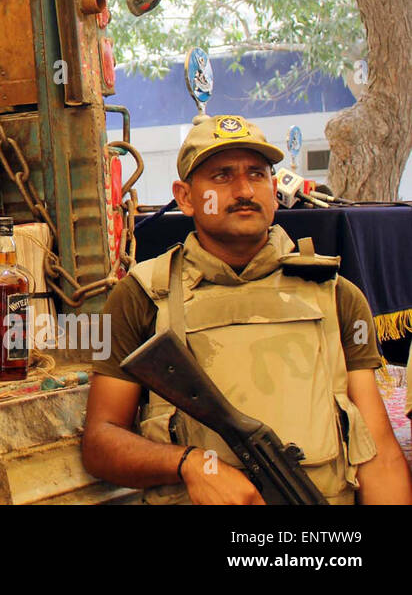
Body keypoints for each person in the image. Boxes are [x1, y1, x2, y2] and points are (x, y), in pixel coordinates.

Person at [82, 114, 412, 504]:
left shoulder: (336, 294)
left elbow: (378, 452)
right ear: (185, 196)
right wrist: (192, 464)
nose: (244, 190)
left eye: (257, 174)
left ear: (274, 190)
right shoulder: (141, 295)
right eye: (222, 176)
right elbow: (101, 442)